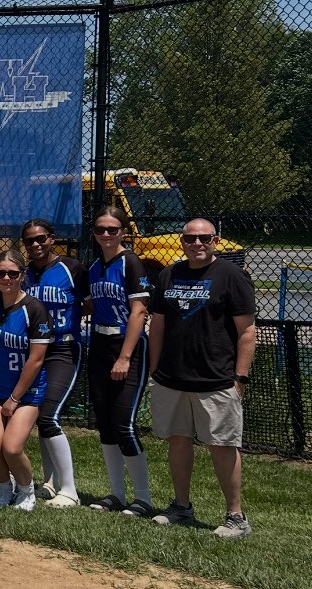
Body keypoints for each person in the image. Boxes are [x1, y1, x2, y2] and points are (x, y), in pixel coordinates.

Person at [148, 218, 256, 538]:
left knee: (222, 445)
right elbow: (158, 324)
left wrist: (240, 377)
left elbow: (247, 330)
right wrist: (154, 369)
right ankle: (181, 507)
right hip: (172, 376)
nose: (197, 243)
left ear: (215, 241)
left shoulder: (231, 275)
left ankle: (236, 516)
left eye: (204, 238)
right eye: (190, 238)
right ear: (182, 241)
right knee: (178, 440)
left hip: (216, 378)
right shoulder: (169, 274)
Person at [86, 206, 153, 516]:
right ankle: (116, 494)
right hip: (100, 344)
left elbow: (139, 311)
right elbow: (92, 305)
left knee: (124, 423)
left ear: (123, 232)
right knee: (105, 424)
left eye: (113, 229)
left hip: (127, 346)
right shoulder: (95, 266)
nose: (106, 234)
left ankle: (144, 498)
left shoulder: (131, 262)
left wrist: (125, 357)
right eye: (100, 229)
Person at [0, 250, 51, 511]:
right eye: (0, 273)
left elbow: (36, 359)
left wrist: (14, 398)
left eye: (12, 273)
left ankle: (26, 490)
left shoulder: (34, 309)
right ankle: (4, 488)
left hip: (26, 391)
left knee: (12, 447)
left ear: (22, 275)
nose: (6, 278)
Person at [21, 219, 88, 508]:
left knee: (49, 414)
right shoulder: (24, 274)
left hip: (63, 347)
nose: (36, 244)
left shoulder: (72, 268)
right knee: (40, 415)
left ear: (51, 238)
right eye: (30, 240)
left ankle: (69, 489)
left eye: (41, 238)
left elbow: (89, 303)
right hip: (34, 350)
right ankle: (49, 482)